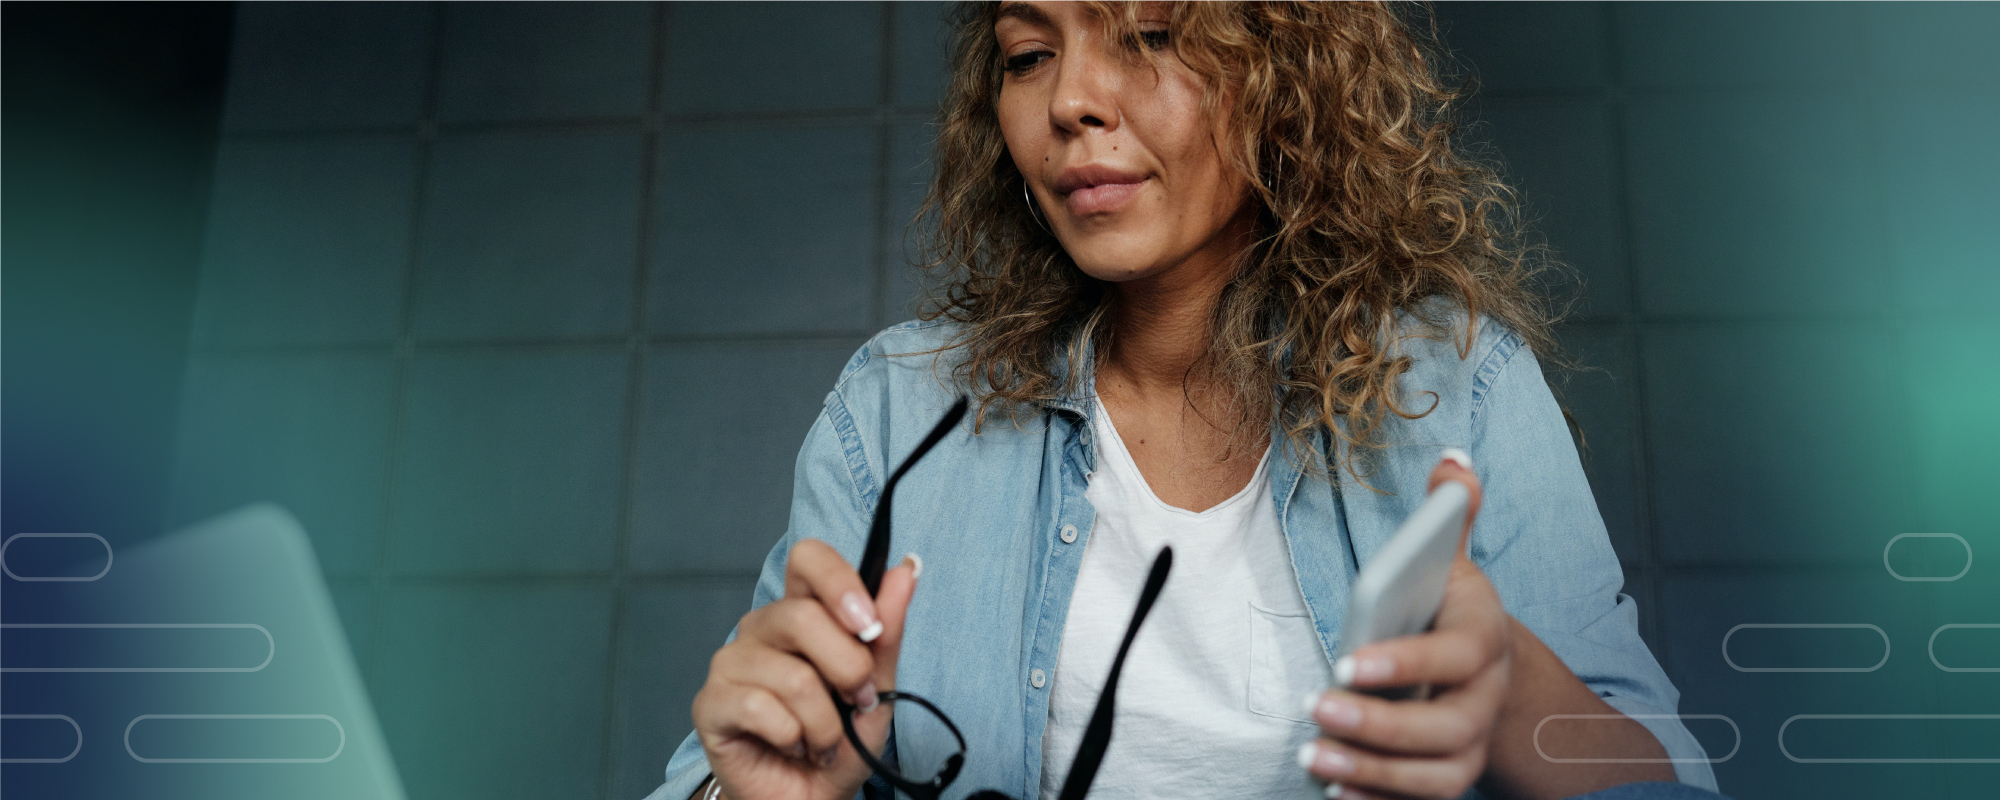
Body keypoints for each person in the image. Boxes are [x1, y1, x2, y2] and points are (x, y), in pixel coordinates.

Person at [652, 2, 1725, 799]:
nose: (1070, 98)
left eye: (1150, 34)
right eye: (1029, 55)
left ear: (1284, 69)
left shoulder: (1457, 384)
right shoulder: (895, 409)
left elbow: (1667, 778)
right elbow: (722, 768)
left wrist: (1509, 691)